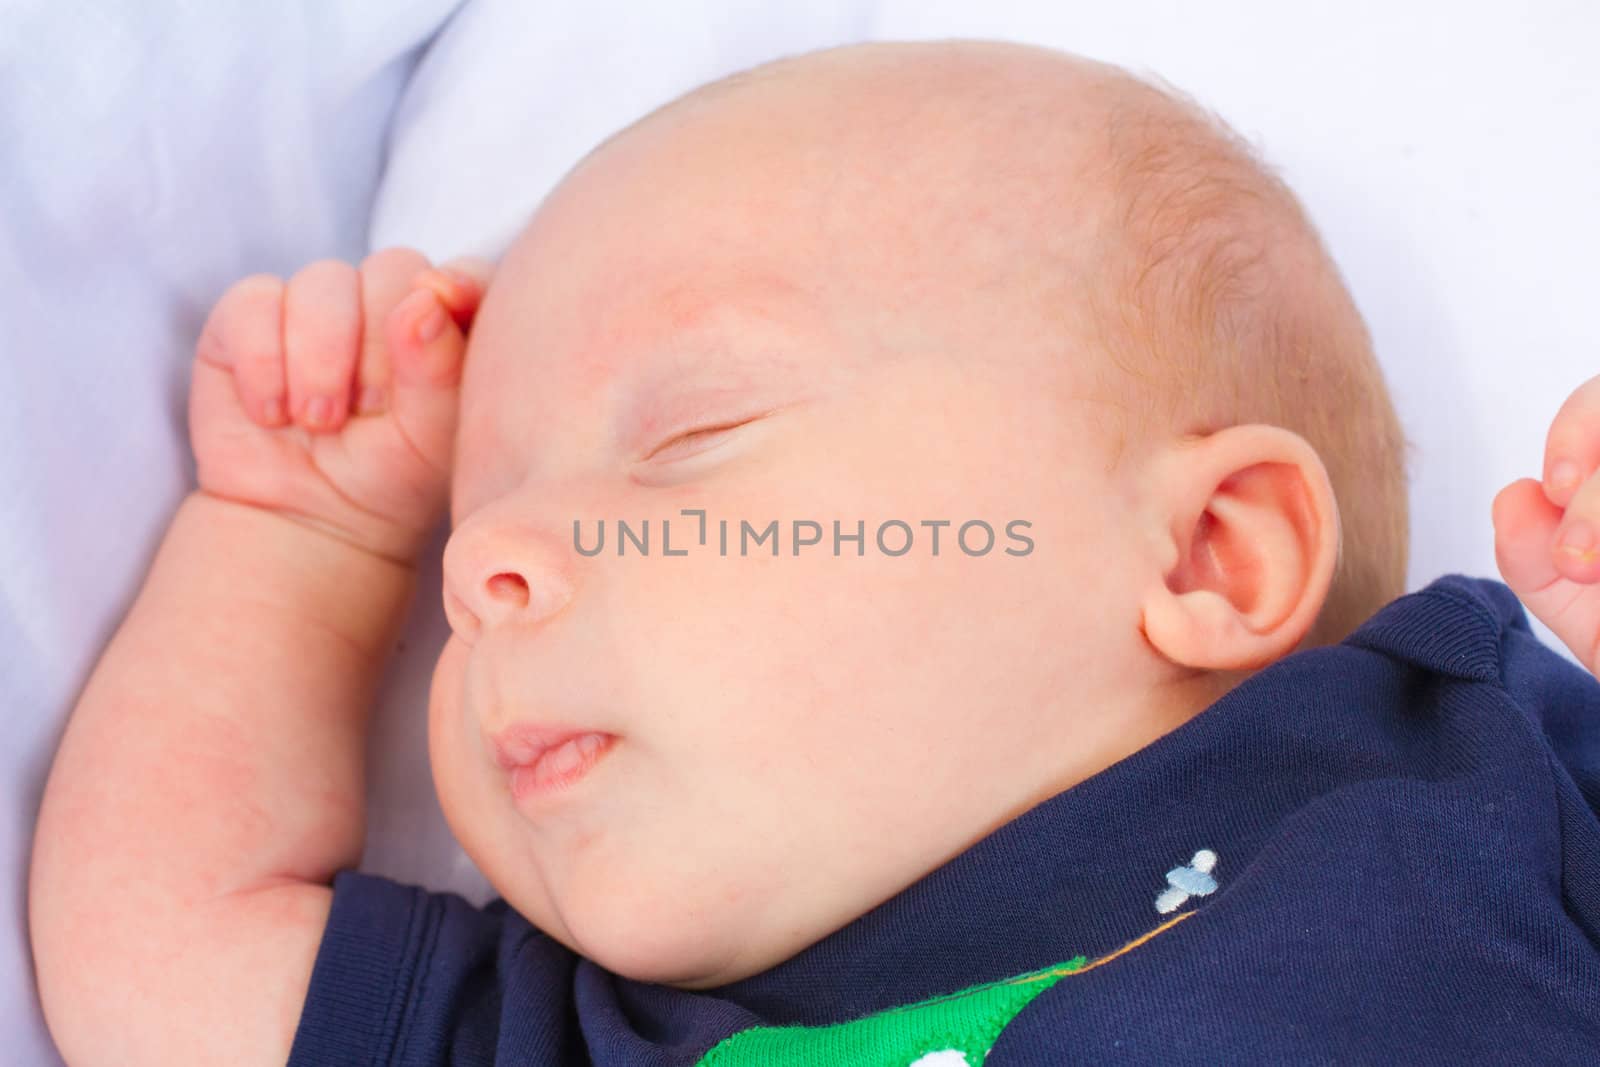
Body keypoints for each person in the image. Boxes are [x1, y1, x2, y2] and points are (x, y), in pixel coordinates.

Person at [29, 37, 1600, 1066]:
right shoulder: (584, 1030)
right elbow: (164, 954)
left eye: (687, 442)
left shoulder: (1466, 790)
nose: (481, 572)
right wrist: (306, 538)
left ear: (1207, 554)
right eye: (458, 529)